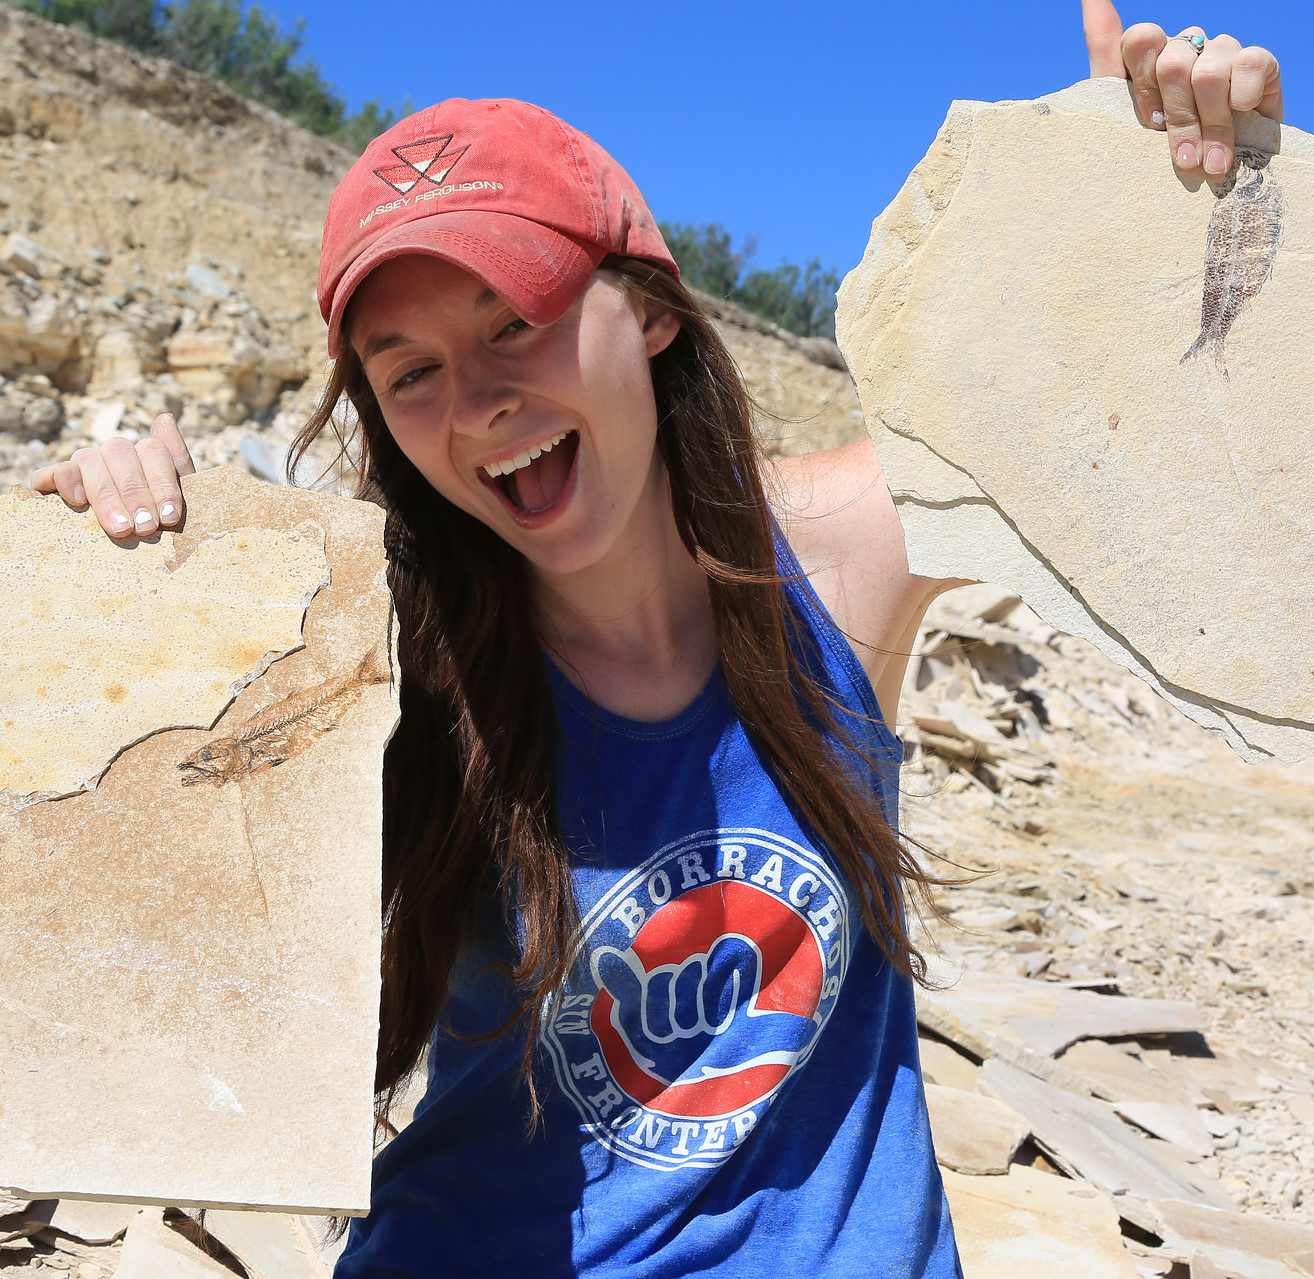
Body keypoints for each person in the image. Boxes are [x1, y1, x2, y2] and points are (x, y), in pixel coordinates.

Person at [31, 3, 1282, 1275]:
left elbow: (1170, 424)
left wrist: (1195, 197)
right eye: (407, 372)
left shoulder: (838, 558)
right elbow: (105, 924)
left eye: (513, 319)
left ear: (653, 313)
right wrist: (127, 572)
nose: (476, 401)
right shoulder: (381, 660)